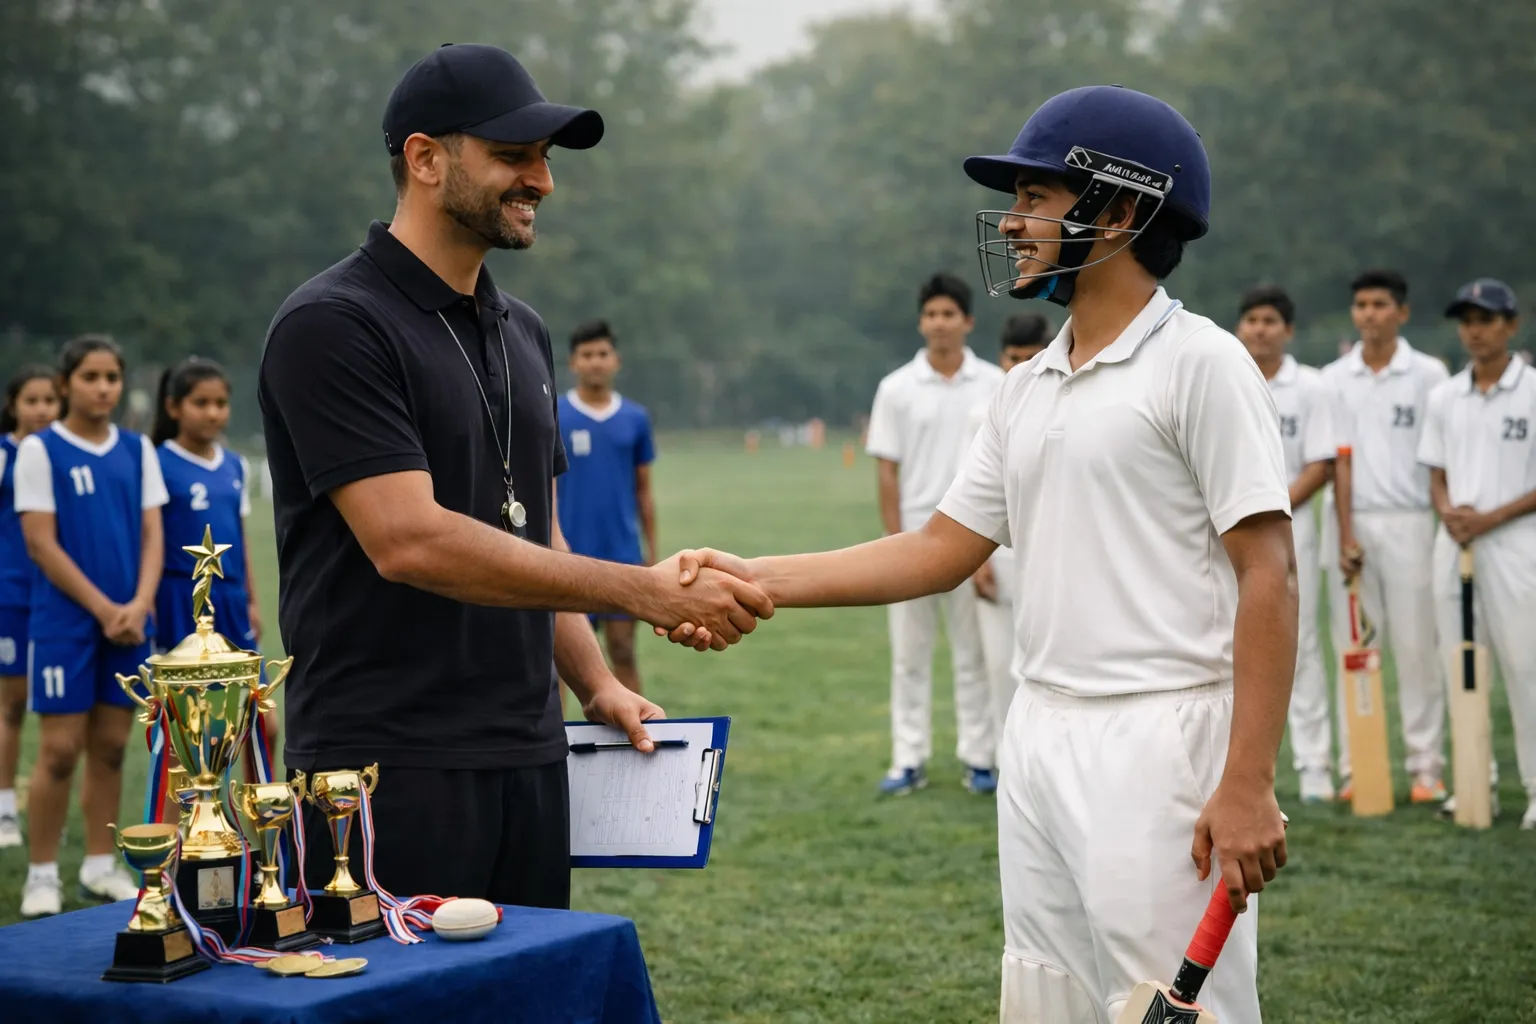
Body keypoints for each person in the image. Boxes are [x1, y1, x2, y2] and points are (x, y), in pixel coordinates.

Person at [662, 85, 1293, 1022]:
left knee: (1165, 1003)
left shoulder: (1201, 363)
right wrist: (753, 578)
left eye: (1038, 195)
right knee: (1051, 999)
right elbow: (935, 550)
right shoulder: (1027, 386)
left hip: (1162, 741)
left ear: (1119, 211)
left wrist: (1247, 782)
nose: (1015, 218)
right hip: (1039, 730)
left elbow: (1269, 575)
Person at [259, 43, 771, 910]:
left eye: (544, 158)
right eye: (513, 155)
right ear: (425, 159)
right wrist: (640, 592)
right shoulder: (333, 324)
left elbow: (543, 540)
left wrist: (598, 685)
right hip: (385, 764)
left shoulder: (523, 331)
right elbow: (409, 540)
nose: (542, 180)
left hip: (531, 754)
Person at [16, 335, 167, 917]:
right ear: (65, 384)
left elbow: (153, 533)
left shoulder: (136, 449)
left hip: (130, 621)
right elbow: (40, 542)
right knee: (58, 751)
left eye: (111, 376)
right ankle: (42, 873)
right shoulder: (40, 450)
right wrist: (104, 609)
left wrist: (139, 601)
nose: (103, 387)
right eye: (90, 376)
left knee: (110, 747)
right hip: (66, 624)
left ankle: (99, 866)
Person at [865, 272, 1006, 796]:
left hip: (974, 538)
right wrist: (893, 538)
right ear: (921, 322)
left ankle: (979, 758)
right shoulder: (896, 388)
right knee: (909, 656)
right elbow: (886, 470)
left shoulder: (995, 383)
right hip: (912, 539)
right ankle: (908, 759)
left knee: (974, 655)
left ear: (967, 321)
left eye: (950, 314)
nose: (940, 323)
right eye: (931, 314)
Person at [1321, 269, 1449, 803]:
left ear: (1402, 312)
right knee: (1354, 648)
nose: (1369, 314)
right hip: (1349, 521)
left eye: (1379, 305)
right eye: (1361, 305)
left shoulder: (1429, 374)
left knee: (1418, 647)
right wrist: (1347, 535)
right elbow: (1334, 459)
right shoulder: (1334, 377)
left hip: (1412, 521)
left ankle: (1426, 769)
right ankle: (1359, 769)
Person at [1419, 279, 1536, 829]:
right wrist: (1449, 513)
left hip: (1514, 544)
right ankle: (1473, 785)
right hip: (1455, 543)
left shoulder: (1532, 390)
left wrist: (1487, 518)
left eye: (1486, 319)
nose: (1474, 330)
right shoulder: (1444, 395)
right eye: (1466, 319)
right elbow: (1436, 472)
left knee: (1525, 666)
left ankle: (1535, 789)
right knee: (1460, 667)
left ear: (1511, 326)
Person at [1235, 285, 1337, 803]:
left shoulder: (1312, 387)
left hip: (1290, 526)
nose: (1259, 329)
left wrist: (1269, 506)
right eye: (1251, 319)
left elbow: (1321, 464)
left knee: (1302, 644)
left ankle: (1314, 764)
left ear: (1288, 330)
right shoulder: (1226, 376)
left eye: (1270, 320)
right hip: (1228, 531)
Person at [151, 357, 276, 780]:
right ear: (173, 407)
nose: (212, 412)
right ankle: (184, 835)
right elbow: (147, 540)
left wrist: (253, 601)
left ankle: (260, 826)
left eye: (220, 403)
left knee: (262, 722)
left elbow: (239, 540)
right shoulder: (155, 462)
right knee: (188, 732)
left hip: (231, 601)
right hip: (178, 601)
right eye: (200, 402)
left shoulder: (234, 466)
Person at [556, 319, 657, 694]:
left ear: (616, 361)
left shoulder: (635, 418)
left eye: (602, 354)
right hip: (565, 557)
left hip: (621, 556)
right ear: (573, 363)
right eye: (587, 355)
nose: (595, 362)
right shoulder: (555, 414)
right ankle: (558, 748)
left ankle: (636, 744)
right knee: (562, 664)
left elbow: (644, 492)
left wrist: (651, 552)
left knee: (623, 651)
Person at [967, 313, 1049, 736]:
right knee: (999, 665)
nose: (1019, 366)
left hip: (1048, 559)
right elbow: (966, 498)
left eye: (1030, 357)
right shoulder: (983, 414)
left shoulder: (1064, 406)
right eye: (1012, 357)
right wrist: (976, 563)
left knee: (1039, 669)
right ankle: (1003, 760)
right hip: (995, 556)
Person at [0, 367, 60, 849]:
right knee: (12, 704)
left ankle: (46, 810)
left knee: (59, 716)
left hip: (58, 599)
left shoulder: (61, 455)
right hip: (13, 595)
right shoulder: (5, 454)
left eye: (49, 400)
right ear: (13, 405)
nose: (42, 409)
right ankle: (4, 811)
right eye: (32, 400)